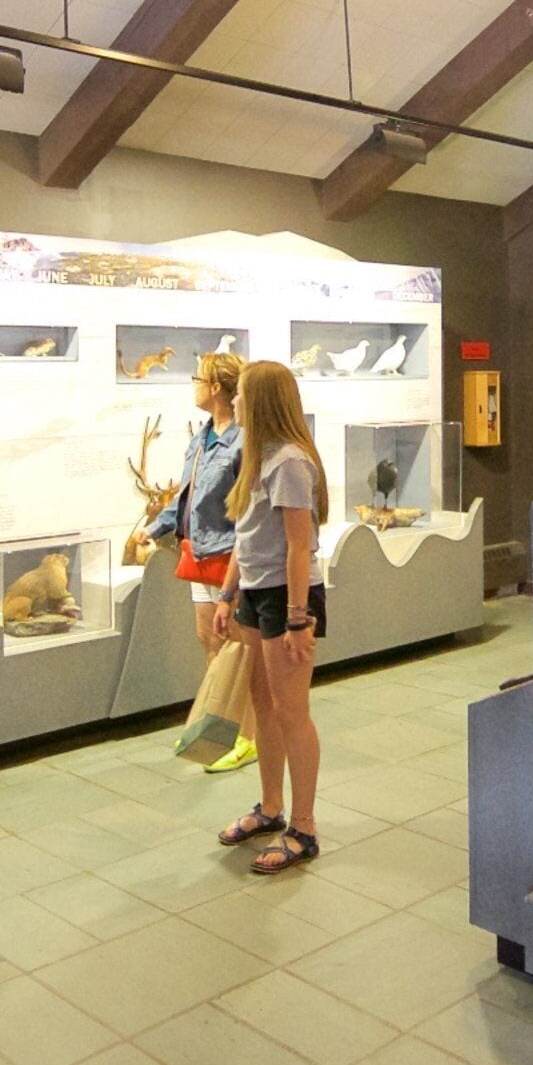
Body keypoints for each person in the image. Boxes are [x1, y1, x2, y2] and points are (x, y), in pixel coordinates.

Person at [213, 359, 327, 875]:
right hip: (257, 593)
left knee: (291, 711)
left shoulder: (288, 462)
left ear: (257, 401)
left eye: (239, 395)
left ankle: (303, 827)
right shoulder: (257, 457)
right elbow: (247, 533)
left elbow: (299, 545)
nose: (232, 401)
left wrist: (299, 619)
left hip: (288, 597)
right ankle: (271, 807)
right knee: (265, 707)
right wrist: (226, 594)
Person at [150, 351, 251, 775]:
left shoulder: (245, 441)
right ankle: (216, 727)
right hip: (199, 553)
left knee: (239, 646)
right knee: (209, 641)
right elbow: (186, 494)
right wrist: (159, 526)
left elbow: (247, 505)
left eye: (198, 377)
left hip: (231, 556)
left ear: (216, 389)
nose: (193, 384)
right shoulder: (202, 437)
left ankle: (246, 736)